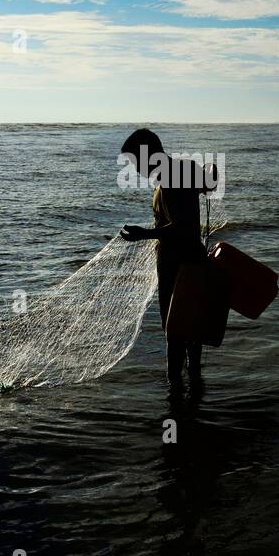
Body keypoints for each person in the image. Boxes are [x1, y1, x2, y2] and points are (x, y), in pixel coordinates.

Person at [118, 129, 213, 384]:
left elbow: (182, 226)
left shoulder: (172, 176)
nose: (136, 169)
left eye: (135, 162)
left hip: (182, 267)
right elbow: (208, 186)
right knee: (188, 332)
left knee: (176, 333)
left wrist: (144, 234)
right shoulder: (176, 172)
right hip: (184, 264)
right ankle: (192, 394)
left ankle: (176, 398)